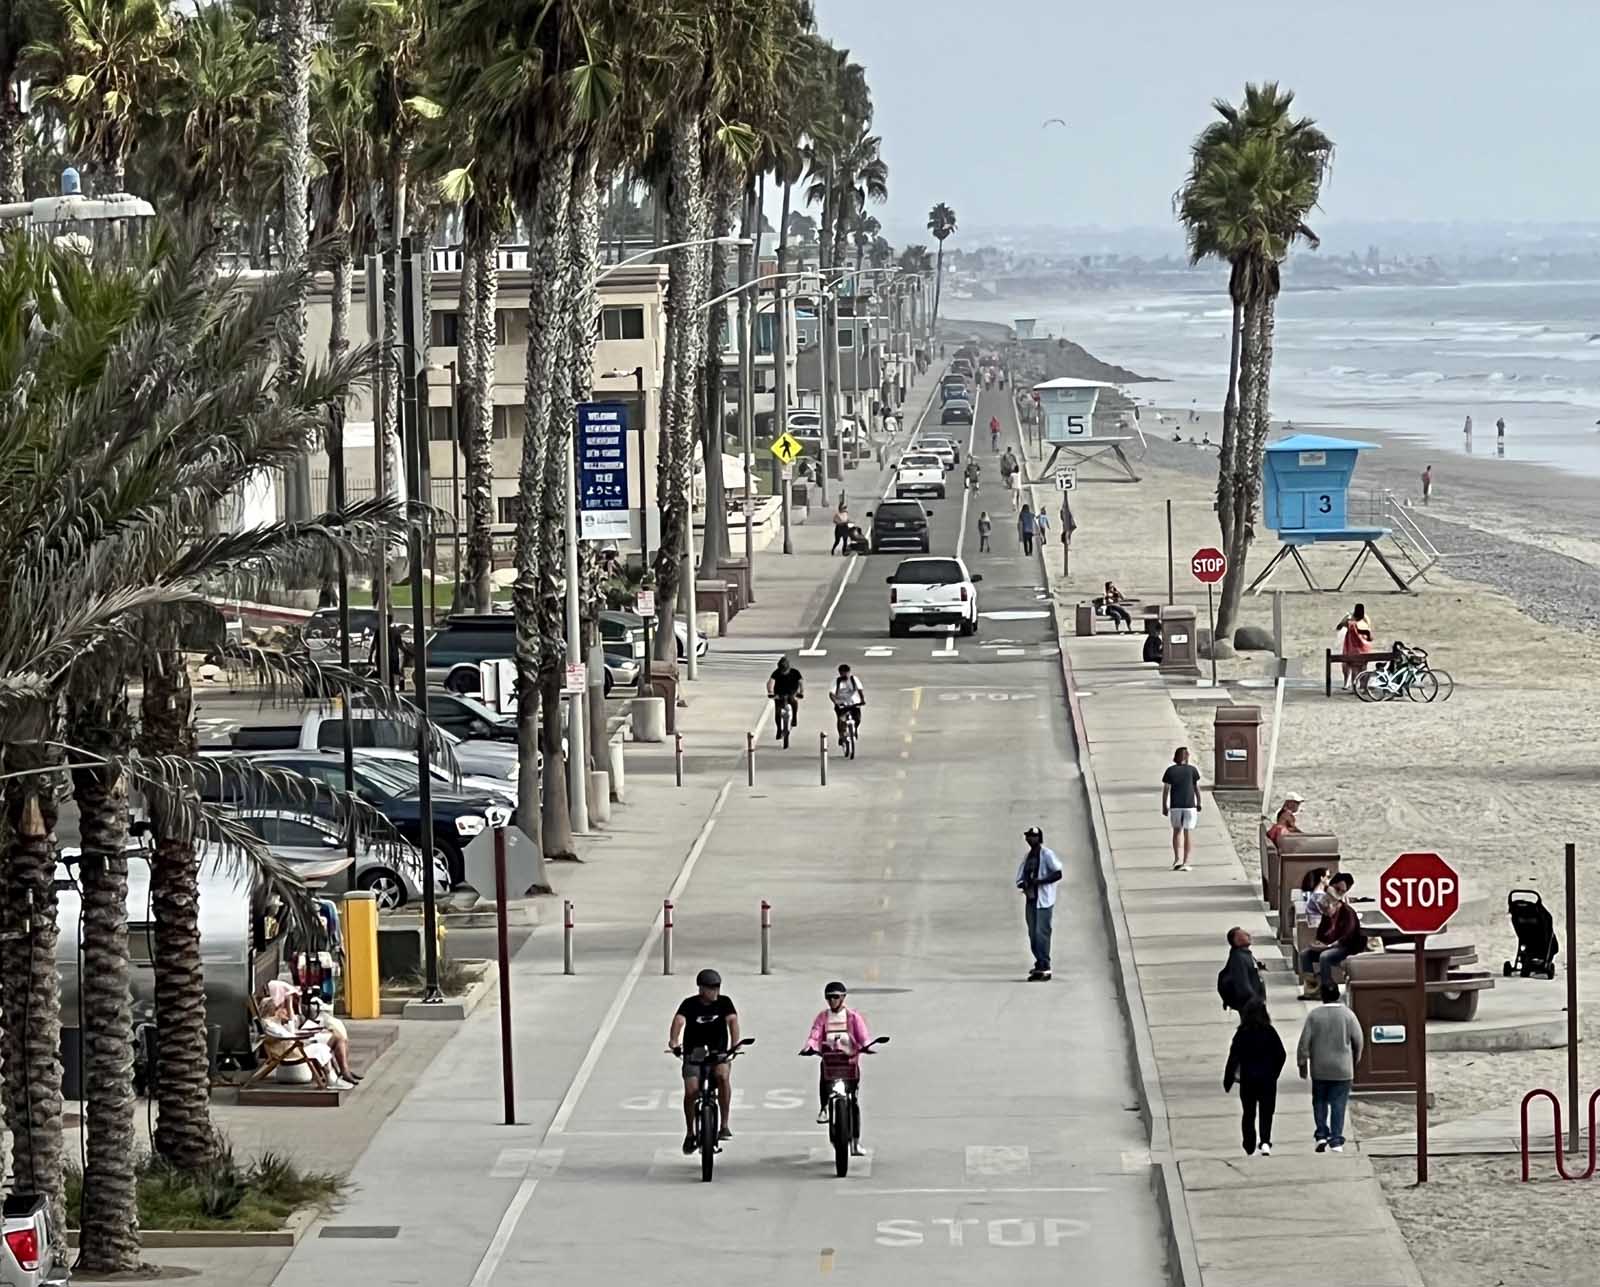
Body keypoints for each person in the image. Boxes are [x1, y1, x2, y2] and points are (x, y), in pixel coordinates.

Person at [669, 968, 741, 1153]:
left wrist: (735, 1044)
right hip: (694, 1053)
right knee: (692, 1091)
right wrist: (674, 1041)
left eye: (717, 987)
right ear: (701, 989)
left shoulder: (725, 1002)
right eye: (711, 988)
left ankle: (724, 1125)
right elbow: (678, 1021)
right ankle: (690, 1133)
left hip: (718, 1052)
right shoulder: (689, 1004)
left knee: (723, 1076)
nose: (716, 991)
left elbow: (732, 1021)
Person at [1296, 983, 1363, 1152]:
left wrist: (1302, 1063)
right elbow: (1358, 1041)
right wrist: (1354, 1061)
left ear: (1322, 996)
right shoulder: (1348, 1015)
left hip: (1320, 1068)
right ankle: (1336, 1139)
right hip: (1342, 1069)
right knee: (1338, 1104)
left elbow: (1304, 1043)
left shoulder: (1314, 1016)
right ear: (1338, 995)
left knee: (1319, 1101)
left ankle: (1321, 1135)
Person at [803, 982, 875, 1138]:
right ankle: (824, 1108)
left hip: (849, 1062)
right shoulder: (822, 1017)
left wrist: (867, 1046)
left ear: (843, 997)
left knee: (854, 1100)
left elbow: (863, 1036)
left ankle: (855, 1140)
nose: (832, 1001)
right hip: (830, 1061)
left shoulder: (853, 1016)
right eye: (828, 997)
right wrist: (809, 1047)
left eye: (835, 997)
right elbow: (815, 1034)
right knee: (824, 1077)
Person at [261, 979, 356, 1089]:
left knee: (331, 1038)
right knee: (321, 1047)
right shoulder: (271, 1025)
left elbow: (290, 1033)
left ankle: (336, 1076)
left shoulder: (275, 1023)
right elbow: (290, 1035)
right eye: (279, 1008)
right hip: (291, 1052)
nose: (282, 1010)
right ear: (273, 1011)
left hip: (293, 1046)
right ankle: (333, 1079)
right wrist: (306, 1038)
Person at [1225, 1000, 1286, 1157]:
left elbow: (1233, 1057)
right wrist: (1274, 1073)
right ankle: (1265, 1142)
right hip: (1267, 1080)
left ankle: (1249, 1143)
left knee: (1248, 1112)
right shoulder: (1270, 1032)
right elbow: (1281, 1054)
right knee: (1266, 1111)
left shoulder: (1242, 1033)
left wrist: (1228, 1079)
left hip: (1248, 1080)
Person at [1298, 872, 1365, 997]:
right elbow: (1321, 934)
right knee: (1305, 954)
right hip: (1329, 946)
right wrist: (1319, 943)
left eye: (1341, 891)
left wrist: (1332, 945)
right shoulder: (1327, 913)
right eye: (1337, 889)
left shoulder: (1347, 912)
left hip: (1345, 947)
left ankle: (1327, 988)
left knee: (1325, 957)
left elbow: (1348, 936)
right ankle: (1312, 988)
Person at [1015, 825, 1063, 981]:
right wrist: (1024, 884)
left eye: (1032, 836)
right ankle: (1039, 963)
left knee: (1041, 932)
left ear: (1039, 838)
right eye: (1028, 836)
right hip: (1031, 900)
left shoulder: (1047, 854)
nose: (1029, 839)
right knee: (1032, 933)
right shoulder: (1028, 856)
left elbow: (1058, 873)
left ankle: (1045, 966)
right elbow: (1020, 876)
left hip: (1043, 901)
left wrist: (1040, 882)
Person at [1160, 746, 1202, 872]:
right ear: (1187, 757)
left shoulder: (1170, 771)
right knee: (1187, 833)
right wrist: (1199, 802)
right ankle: (1186, 862)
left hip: (1175, 806)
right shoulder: (1192, 770)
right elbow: (1196, 788)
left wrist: (1164, 806)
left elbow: (1166, 790)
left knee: (1176, 832)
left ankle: (1177, 859)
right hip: (1190, 806)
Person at [1217, 927, 1266, 1015]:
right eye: (1244, 935)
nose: (1248, 935)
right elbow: (1242, 981)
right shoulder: (1238, 958)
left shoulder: (1245, 954)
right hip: (1249, 1004)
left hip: (1254, 1001)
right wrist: (1252, 1000)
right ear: (1237, 941)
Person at [1336, 603, 1374, 690]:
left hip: (1352, 647)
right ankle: (1362, 686)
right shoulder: (1365, 620)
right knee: (1362, 667)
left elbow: (1339, 627)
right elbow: (1370, 636)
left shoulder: (1350, 622)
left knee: (1353, 667)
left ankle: (1353, 686)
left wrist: (1345, 619)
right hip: (1364, 647)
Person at [766, 656, 804, 737]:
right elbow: (770, 683)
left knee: (793, 700)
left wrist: (801, 692)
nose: (783, 672)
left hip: (792, 692)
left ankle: (794, 717)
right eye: (782, 670)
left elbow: (801, 682)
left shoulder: (795, 672)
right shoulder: (776, 672)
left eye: (785, 670)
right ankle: (779, 729)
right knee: (777, 712)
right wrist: (770, 692)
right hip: (779, 694)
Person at [829, 663, 865, 742]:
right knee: (841, 720)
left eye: (846, 672)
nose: (845, 675)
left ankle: (854, 729)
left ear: (849, 672)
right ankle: (841, 735)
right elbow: (831, 694)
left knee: (857, 719)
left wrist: (862, 700)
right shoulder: (837, 681)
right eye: (843, 673)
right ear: (840, 673)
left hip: (854, 703)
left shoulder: (854, 679)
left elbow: (860, 689)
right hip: (841, 704)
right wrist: (836, 703)